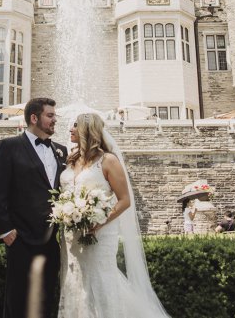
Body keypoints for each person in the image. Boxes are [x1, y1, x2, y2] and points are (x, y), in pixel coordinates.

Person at [58, 113, 170, 318]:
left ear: (87, 130)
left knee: (100, 280)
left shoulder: (108, 160)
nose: (70, 130)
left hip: (100, 232)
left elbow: (124, 199)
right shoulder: (71, 159)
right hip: (71, 234)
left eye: (75, 126)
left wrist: (99, 222)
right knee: (75, 280)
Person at [0, 97, 68, 318]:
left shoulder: (61, 151)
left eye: (54, 116)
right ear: (34, 118)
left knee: (46, 301)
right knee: (18, 302)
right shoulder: (9, 146)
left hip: (52, 242)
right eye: (50, 116)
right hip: (21, 240)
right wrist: (5, 231)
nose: (54, 120)